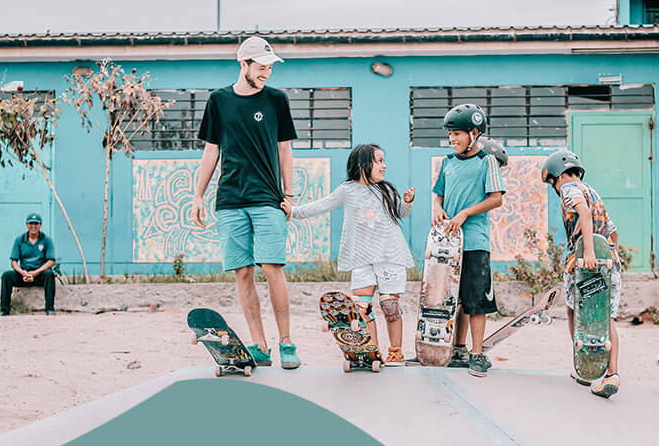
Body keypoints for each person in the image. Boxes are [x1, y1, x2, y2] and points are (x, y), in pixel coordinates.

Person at [189, 36, 300, 369]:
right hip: (230, 199)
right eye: (261, 68)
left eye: (269, 68)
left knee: (272, 268)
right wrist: (198, 194)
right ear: (244, 64)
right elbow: (211, 150)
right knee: (242, 272)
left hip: (268, 198)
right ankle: (260, 345)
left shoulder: (277, 100)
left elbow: (285, 150)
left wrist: (290, 195)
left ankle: (286, 343)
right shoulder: (218, 100)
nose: (266, 73)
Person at [282, 144, 415, 365]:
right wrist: (294, 212)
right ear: (363, 164)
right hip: (361, 257)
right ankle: (372, 352)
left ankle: (395, 351)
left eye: (384, 161)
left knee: (390, 305)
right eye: (379, 161)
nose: (384, 166)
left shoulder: (387, 189)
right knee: (362, 308)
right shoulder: (347, 190)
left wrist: (407, 202)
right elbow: (322, 205)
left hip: (389, 256)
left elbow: (400, 212)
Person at [431, 104, 506, 377]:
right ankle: (458, 349)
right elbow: (438, 192)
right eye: (450, 134)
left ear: (474, 133)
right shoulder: (448, 162)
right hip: (448, 243)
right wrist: (438, 208)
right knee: (453, 298)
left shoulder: (486, 161)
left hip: (474, 241)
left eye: (458, 134)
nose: (452, 139)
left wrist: (465, 212)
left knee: (476, 300)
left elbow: (496, 198)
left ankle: (477, 354)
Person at [541, 149, 622, 398]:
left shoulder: (569, 188)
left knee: (575, 310)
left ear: (555, 176)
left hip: (583, 263)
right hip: (608, 262)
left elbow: (583, 213)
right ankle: (612, 373)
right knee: (604, 317)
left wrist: (588, 251)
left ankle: (585, 365)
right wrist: (610, 254)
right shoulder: (592, 191)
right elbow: (613, 230)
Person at [0, 212, 56, 316]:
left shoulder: (46, 240)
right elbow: (14, 262)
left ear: (40, 225)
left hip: (39, 275)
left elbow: (51, 261)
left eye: (36, 223)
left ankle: (50, 309)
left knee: (49, 274)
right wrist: (22, 273)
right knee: (6, 276)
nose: (33, 226)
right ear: (26, 224)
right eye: (30, 223)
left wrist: (36, 272)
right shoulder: (19, 240)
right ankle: (4, 310)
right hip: (23, 275)